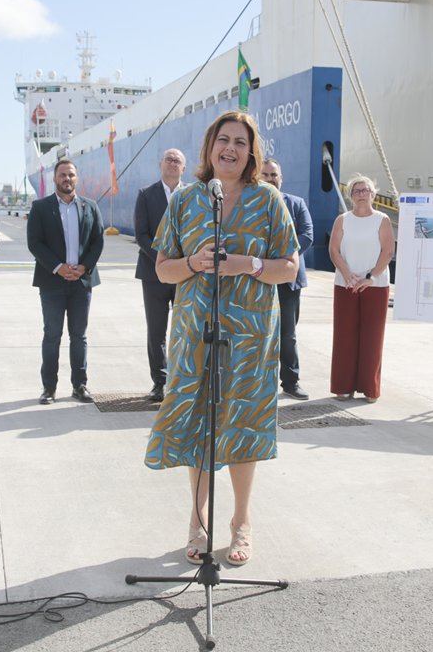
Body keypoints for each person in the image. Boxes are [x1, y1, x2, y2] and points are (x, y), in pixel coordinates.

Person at [145, 111, 300, 567]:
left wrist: (247, 265)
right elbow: (162, 268)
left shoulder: (270, 200)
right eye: (223, 140)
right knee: (198, 423)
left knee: (243, 425)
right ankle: (198, 521)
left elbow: (289, 267)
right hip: (195, 334)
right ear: (209, 147)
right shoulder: (186, 200)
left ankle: (241, 522)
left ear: (251, 152)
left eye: (240, 142)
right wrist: (194, 262)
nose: (230, 148)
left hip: (251, 339)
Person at [27, 159, 105, 405]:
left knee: (78, 336)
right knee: (51, 335)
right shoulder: (40, 207)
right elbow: (35, 242)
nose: (67, 179)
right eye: (62, 175)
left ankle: (79, 385)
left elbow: (98, 240)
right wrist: (58, 268)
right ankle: (49, 387)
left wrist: (84, 268)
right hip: (52, 283)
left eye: (71, 174)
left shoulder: (90, 206)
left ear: (77, 178)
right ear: (55, 178)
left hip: (82, 283)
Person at [328, 174, 395, 403]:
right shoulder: (342, 220)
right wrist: (346, 273)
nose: (361, 194)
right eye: (356, 191)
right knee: (344, 336)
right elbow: (334, 250)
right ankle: (343, 387)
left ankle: (370, 389)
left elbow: (388, 251)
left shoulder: (382, 219)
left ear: (373, 194)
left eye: (365, 190)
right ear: (351, 196)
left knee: (372, 337)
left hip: (375, 286)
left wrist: (371, 276)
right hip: (345, 284)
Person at [134, 148, 186, 404]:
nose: (173, 164)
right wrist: (164, 262)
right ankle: (159, 381)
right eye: (169, 159)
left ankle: (181, 380)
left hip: (186, 274)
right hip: (154, 274)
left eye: (177, 161)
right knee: (156, 329)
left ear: (183, 169)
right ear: (160, 164)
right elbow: (141, 234)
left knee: (185, 328)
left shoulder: (192, 195)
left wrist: (181, 265)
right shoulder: (146, 194)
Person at [260, 158, 313, 401]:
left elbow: (307, 235)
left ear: (281, 177)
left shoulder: (296, 203)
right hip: (257, 277)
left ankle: (291, 382)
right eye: (265, 175)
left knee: (287, 334)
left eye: (274, 174)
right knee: (257, 332)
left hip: (288, 280)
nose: (270, 179)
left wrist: (281, 259)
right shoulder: (250, 204)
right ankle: (257, 382)